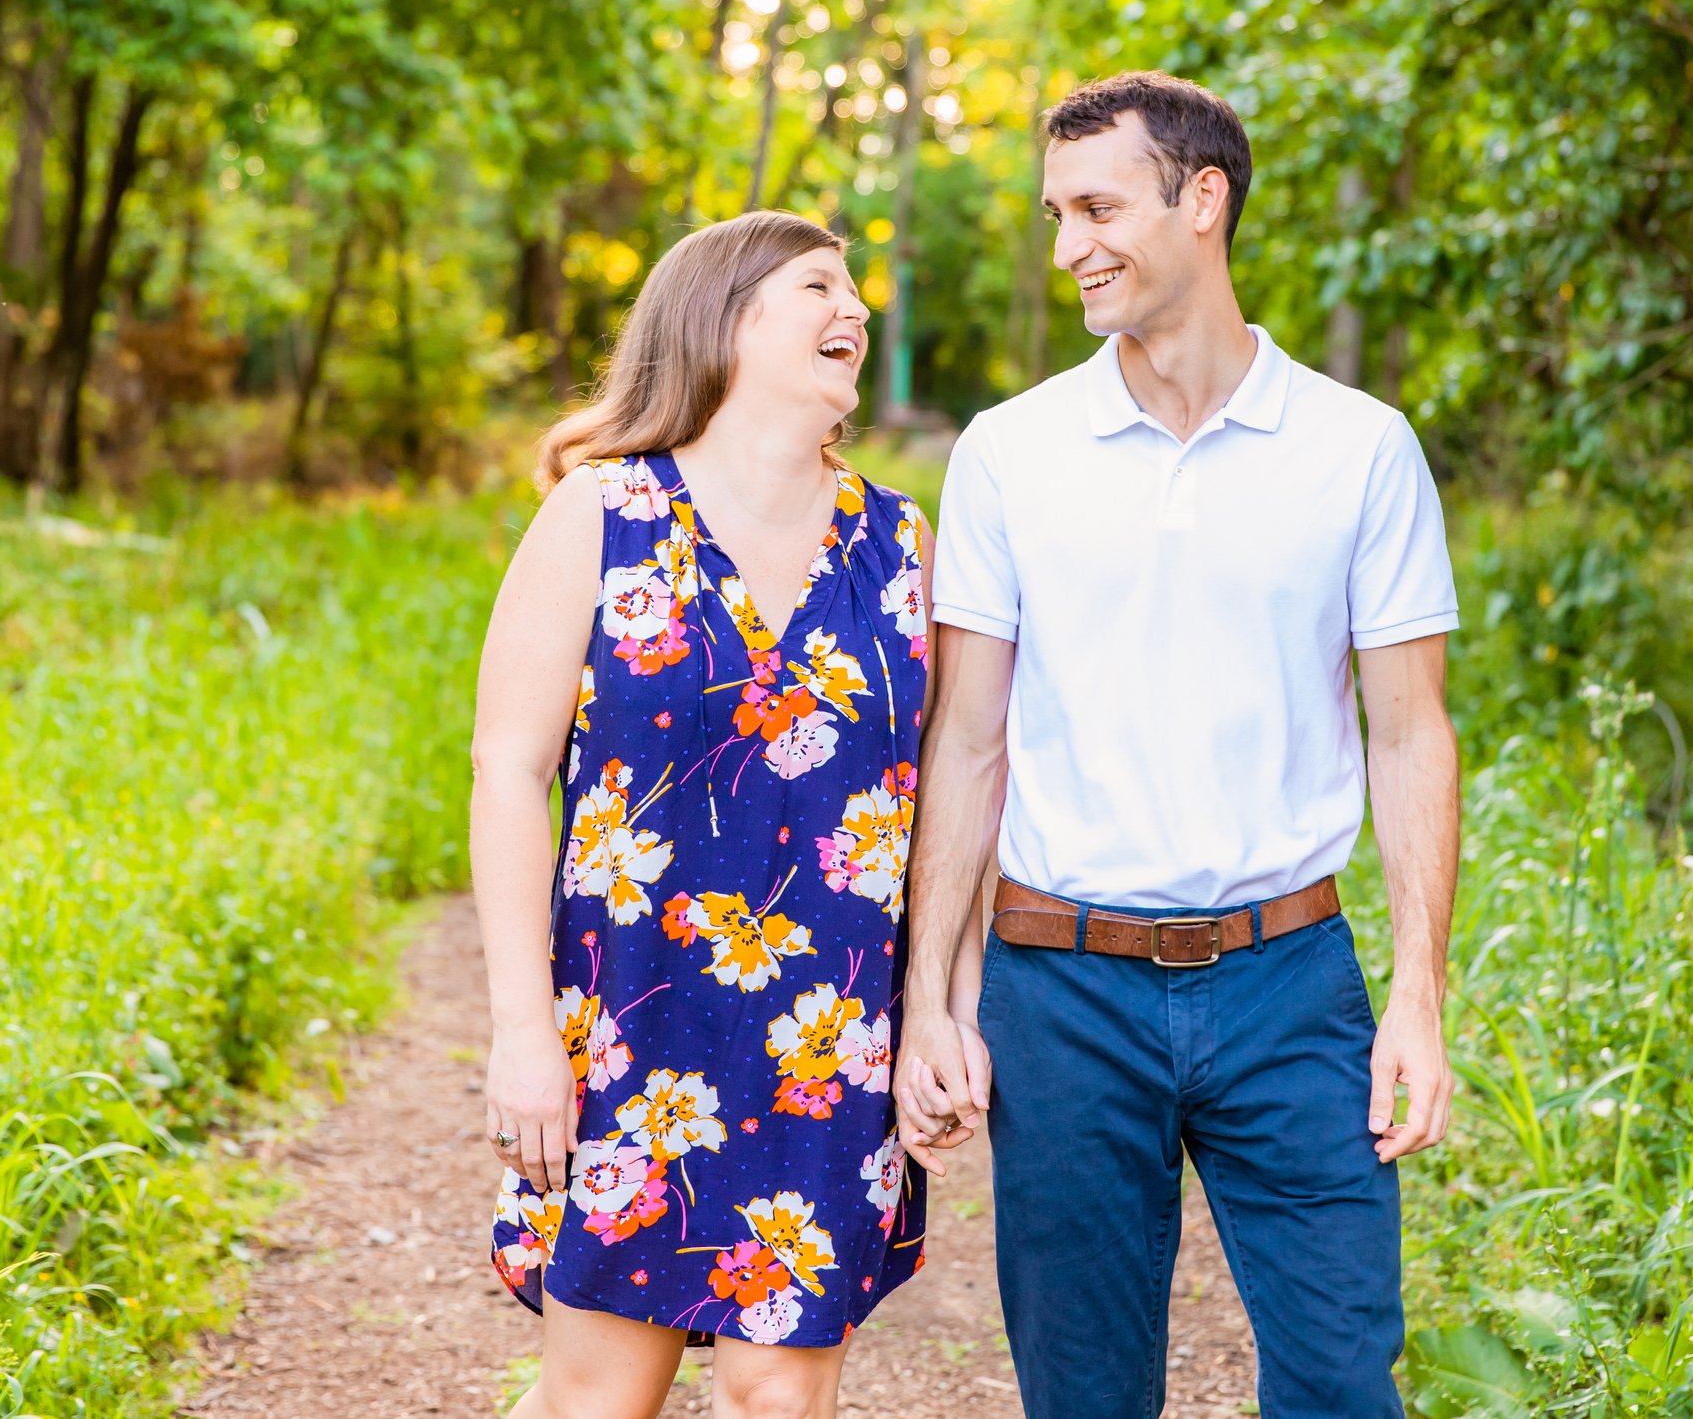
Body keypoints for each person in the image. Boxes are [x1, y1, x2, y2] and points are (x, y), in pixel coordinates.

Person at [895, 71, 1463, 1419]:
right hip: (1061, 987)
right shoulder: (1010, 452)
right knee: (1084, 1394)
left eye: (1097, 206)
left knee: (1340, 1377)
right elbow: (966, 744)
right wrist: (932, 991)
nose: (1067, 245)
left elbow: (1412, 735)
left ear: (1202, 199)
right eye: (1054, 212)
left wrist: (1421, 997)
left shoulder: (1359, 449)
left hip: (1290, 983)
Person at [468, 210, 934, 1419]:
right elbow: (508, 768)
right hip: (628, 1025)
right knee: (597, 1393)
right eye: (820, 286)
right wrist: (523, 1029)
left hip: (825, 1046)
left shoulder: (900, 545)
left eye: (857, 290)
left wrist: (939, 1010)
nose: (857, 310)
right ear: (726, 318)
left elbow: (949, 796)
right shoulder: (603, 513)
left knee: (779, 1396)